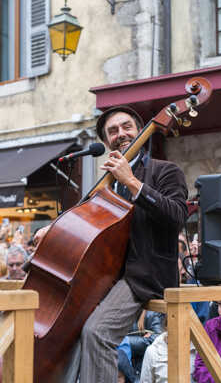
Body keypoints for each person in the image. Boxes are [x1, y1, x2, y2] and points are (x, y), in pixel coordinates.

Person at [34, 105, 188, 383]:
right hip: (103, 276)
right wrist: (52, 229)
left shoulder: (164, 171)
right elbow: (81, 220)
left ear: (140, 130)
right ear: (106, 142)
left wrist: (132, 182)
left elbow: (177, 216)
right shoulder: (105, 184)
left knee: (98, 333)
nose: (121, 134)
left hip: (143, 274)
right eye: (113, 131)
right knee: (72, 333)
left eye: (127, 127)